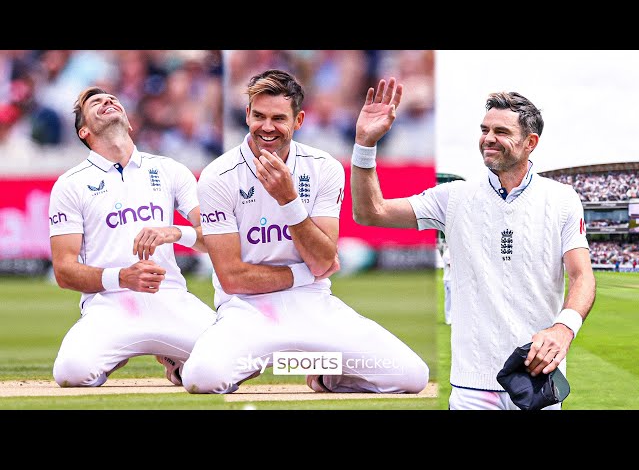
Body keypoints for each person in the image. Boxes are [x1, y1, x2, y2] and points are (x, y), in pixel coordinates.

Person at [349, 79, 596, 410]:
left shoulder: (563, 199)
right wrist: (365, 144)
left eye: (502, 131)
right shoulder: (454, 197)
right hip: (472, 388)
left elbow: (582, 276)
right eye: (485, 129)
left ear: (530, 143)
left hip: (537, 382)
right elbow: (370, 212)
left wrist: (564, 329)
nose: (489, 138)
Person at [181, 69, 429, 394]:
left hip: (313, 302)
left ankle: (324, 374)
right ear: (247, 115)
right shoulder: (218, 176)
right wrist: (304, 274)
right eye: (259, 116)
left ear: (298, 121)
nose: (267, 127)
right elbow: (232, 277)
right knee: (203, 377)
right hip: (247, 307)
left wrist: (289, 200)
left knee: (410, 376)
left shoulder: (322, 167)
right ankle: (263, 361)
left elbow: (324, 258)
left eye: (278, 118)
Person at [48, 86, 217, 388]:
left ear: (129, 123)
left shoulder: (168, 170)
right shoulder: (70, 184)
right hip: (110, 304)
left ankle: (176, 364)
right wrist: (123, 277)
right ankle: (116, 353)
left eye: (112, 99)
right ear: (84, 131)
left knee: (238, 364)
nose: (107, 101)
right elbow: (64, 271)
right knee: (71, 372)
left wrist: (176, 232)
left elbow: (216, 238)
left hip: (170, 297)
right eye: (95, 102)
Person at [440, 242, 452, 325]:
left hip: (452, 279)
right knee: (449, 301)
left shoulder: (452, 253)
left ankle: (452, 318)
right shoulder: (447, 254)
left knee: (453, 301)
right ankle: (448, 319)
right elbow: (452, 265)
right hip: (449, 279)